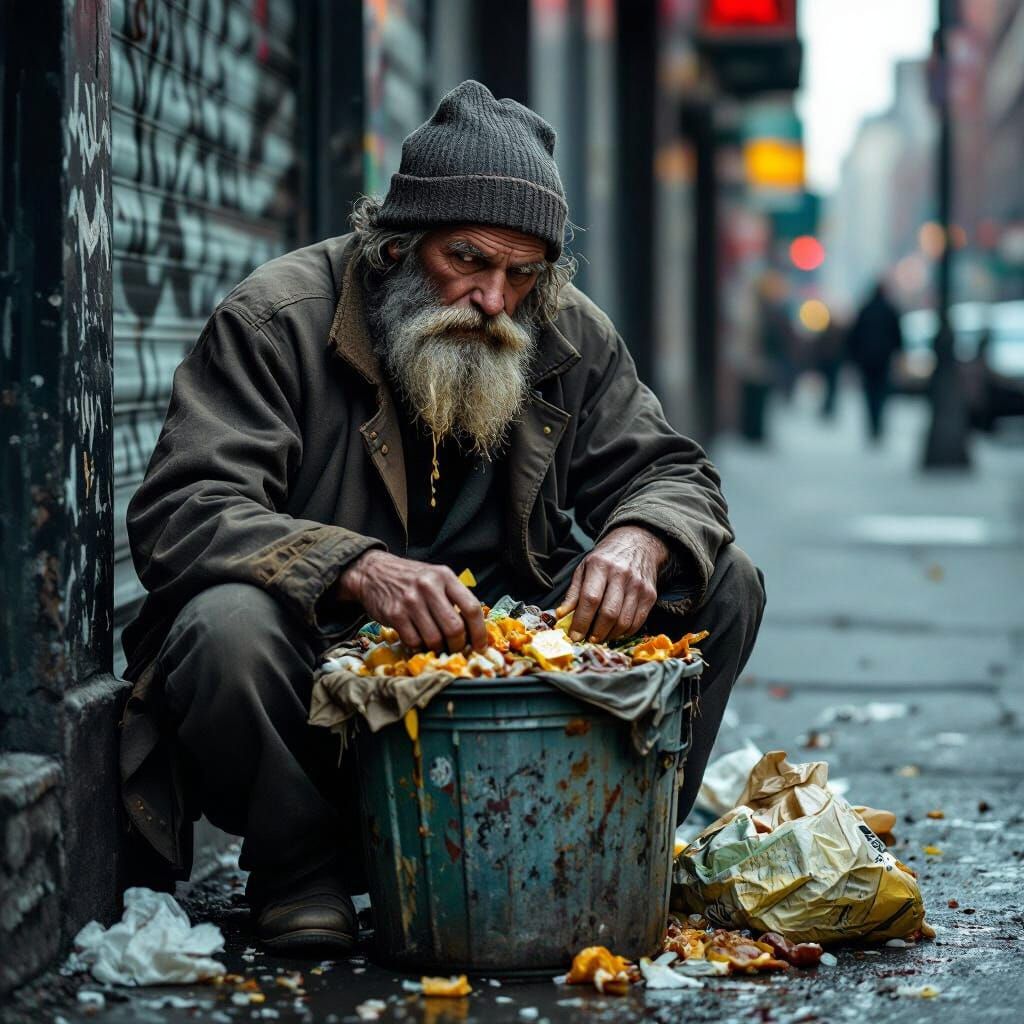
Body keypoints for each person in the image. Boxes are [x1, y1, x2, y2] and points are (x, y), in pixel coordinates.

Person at [119, 81, 765, 954]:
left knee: (720, 580)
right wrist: (353, 566)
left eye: (522, 272)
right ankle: (303, 868)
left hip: (500, 636)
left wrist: (640, 537)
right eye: (466, 260)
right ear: (395, 247)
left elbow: (673, 470)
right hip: (323, 658)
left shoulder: (563, 328)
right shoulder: (279, 319)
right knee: (222, 626)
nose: (493, 298)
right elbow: (182, 510)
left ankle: (597, 838)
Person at [846, 280, 903, 441]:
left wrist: (853, 358)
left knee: (869, 394)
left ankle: (873, 425)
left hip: (866, 360)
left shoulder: (865, 310)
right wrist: (897, 354)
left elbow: (854, 336)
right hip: (883, 359)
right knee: (881, 393)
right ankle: (877, 425)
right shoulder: (889, 310)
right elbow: (897, 336)